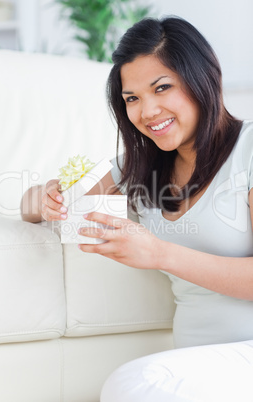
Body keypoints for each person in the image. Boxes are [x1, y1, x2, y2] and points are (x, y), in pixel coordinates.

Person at [21, 16, 253, 402]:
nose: (147, 112)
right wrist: (42, 197)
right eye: (132, 98)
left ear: (203, 79)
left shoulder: (248, 149)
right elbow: (41, 205)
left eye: (162, 88)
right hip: (194, 366)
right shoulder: (139, 167)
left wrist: (158, 252)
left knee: (131, 385)